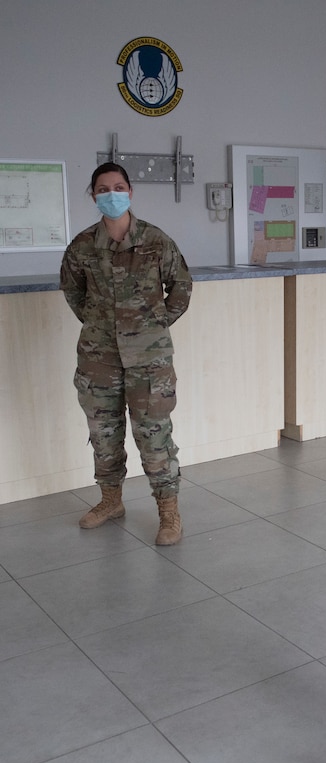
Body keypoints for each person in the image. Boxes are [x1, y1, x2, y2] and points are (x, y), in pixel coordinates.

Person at [60, 162, 192, 546]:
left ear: (130, 192)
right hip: (98, 358)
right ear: (93, 195)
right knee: (103, 434)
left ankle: (169, 511)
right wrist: (100, 326)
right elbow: (73, 293)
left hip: (149, 362)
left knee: (154, 437)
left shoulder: (155, 240)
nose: (111, 194)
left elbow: (181, 287)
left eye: (118, 187)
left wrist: (153, 325)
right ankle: (111, 501)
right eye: (103, 189)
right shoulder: (82, 246)